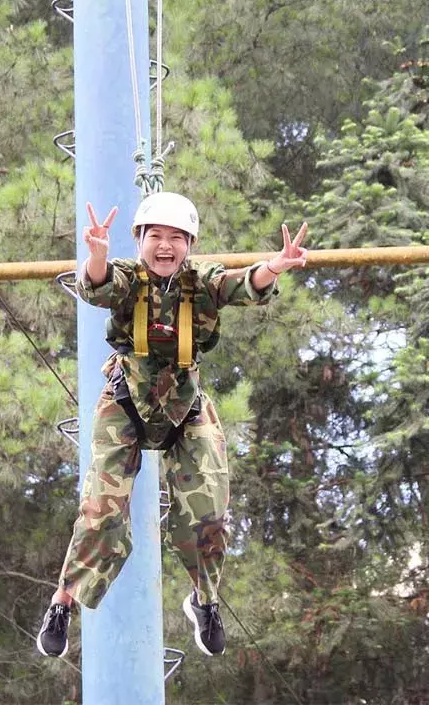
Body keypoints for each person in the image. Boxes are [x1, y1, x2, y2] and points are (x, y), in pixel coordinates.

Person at [37, 192, 308, 659]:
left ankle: (204, 601)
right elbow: (98, 286)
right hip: (126, 400)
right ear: (140, 240)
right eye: (155, 236)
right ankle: (64, 601)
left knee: (208, 509)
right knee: (103, 510)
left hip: (185, 404)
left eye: (176, 238)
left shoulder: (200, 281)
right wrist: (97, 255)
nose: (165, 247)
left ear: (190, 243)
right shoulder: (127, 275)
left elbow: (241, 285)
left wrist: (276, 266)